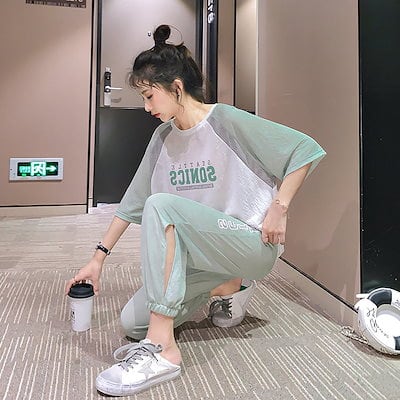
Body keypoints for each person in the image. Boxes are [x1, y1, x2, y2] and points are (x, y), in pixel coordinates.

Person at [65, 24, 326, 397]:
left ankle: (163, 351)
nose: (146, 107)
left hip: (250, 243)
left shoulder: (225, 121)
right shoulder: (163, 137)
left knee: (163, 207)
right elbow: (132, 202)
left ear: (176, 87)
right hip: (204, 255)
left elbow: (305, 150)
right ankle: (230, 285)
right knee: (132, 324)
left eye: (149, 96)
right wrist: (97, 259)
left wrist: (279, 207)